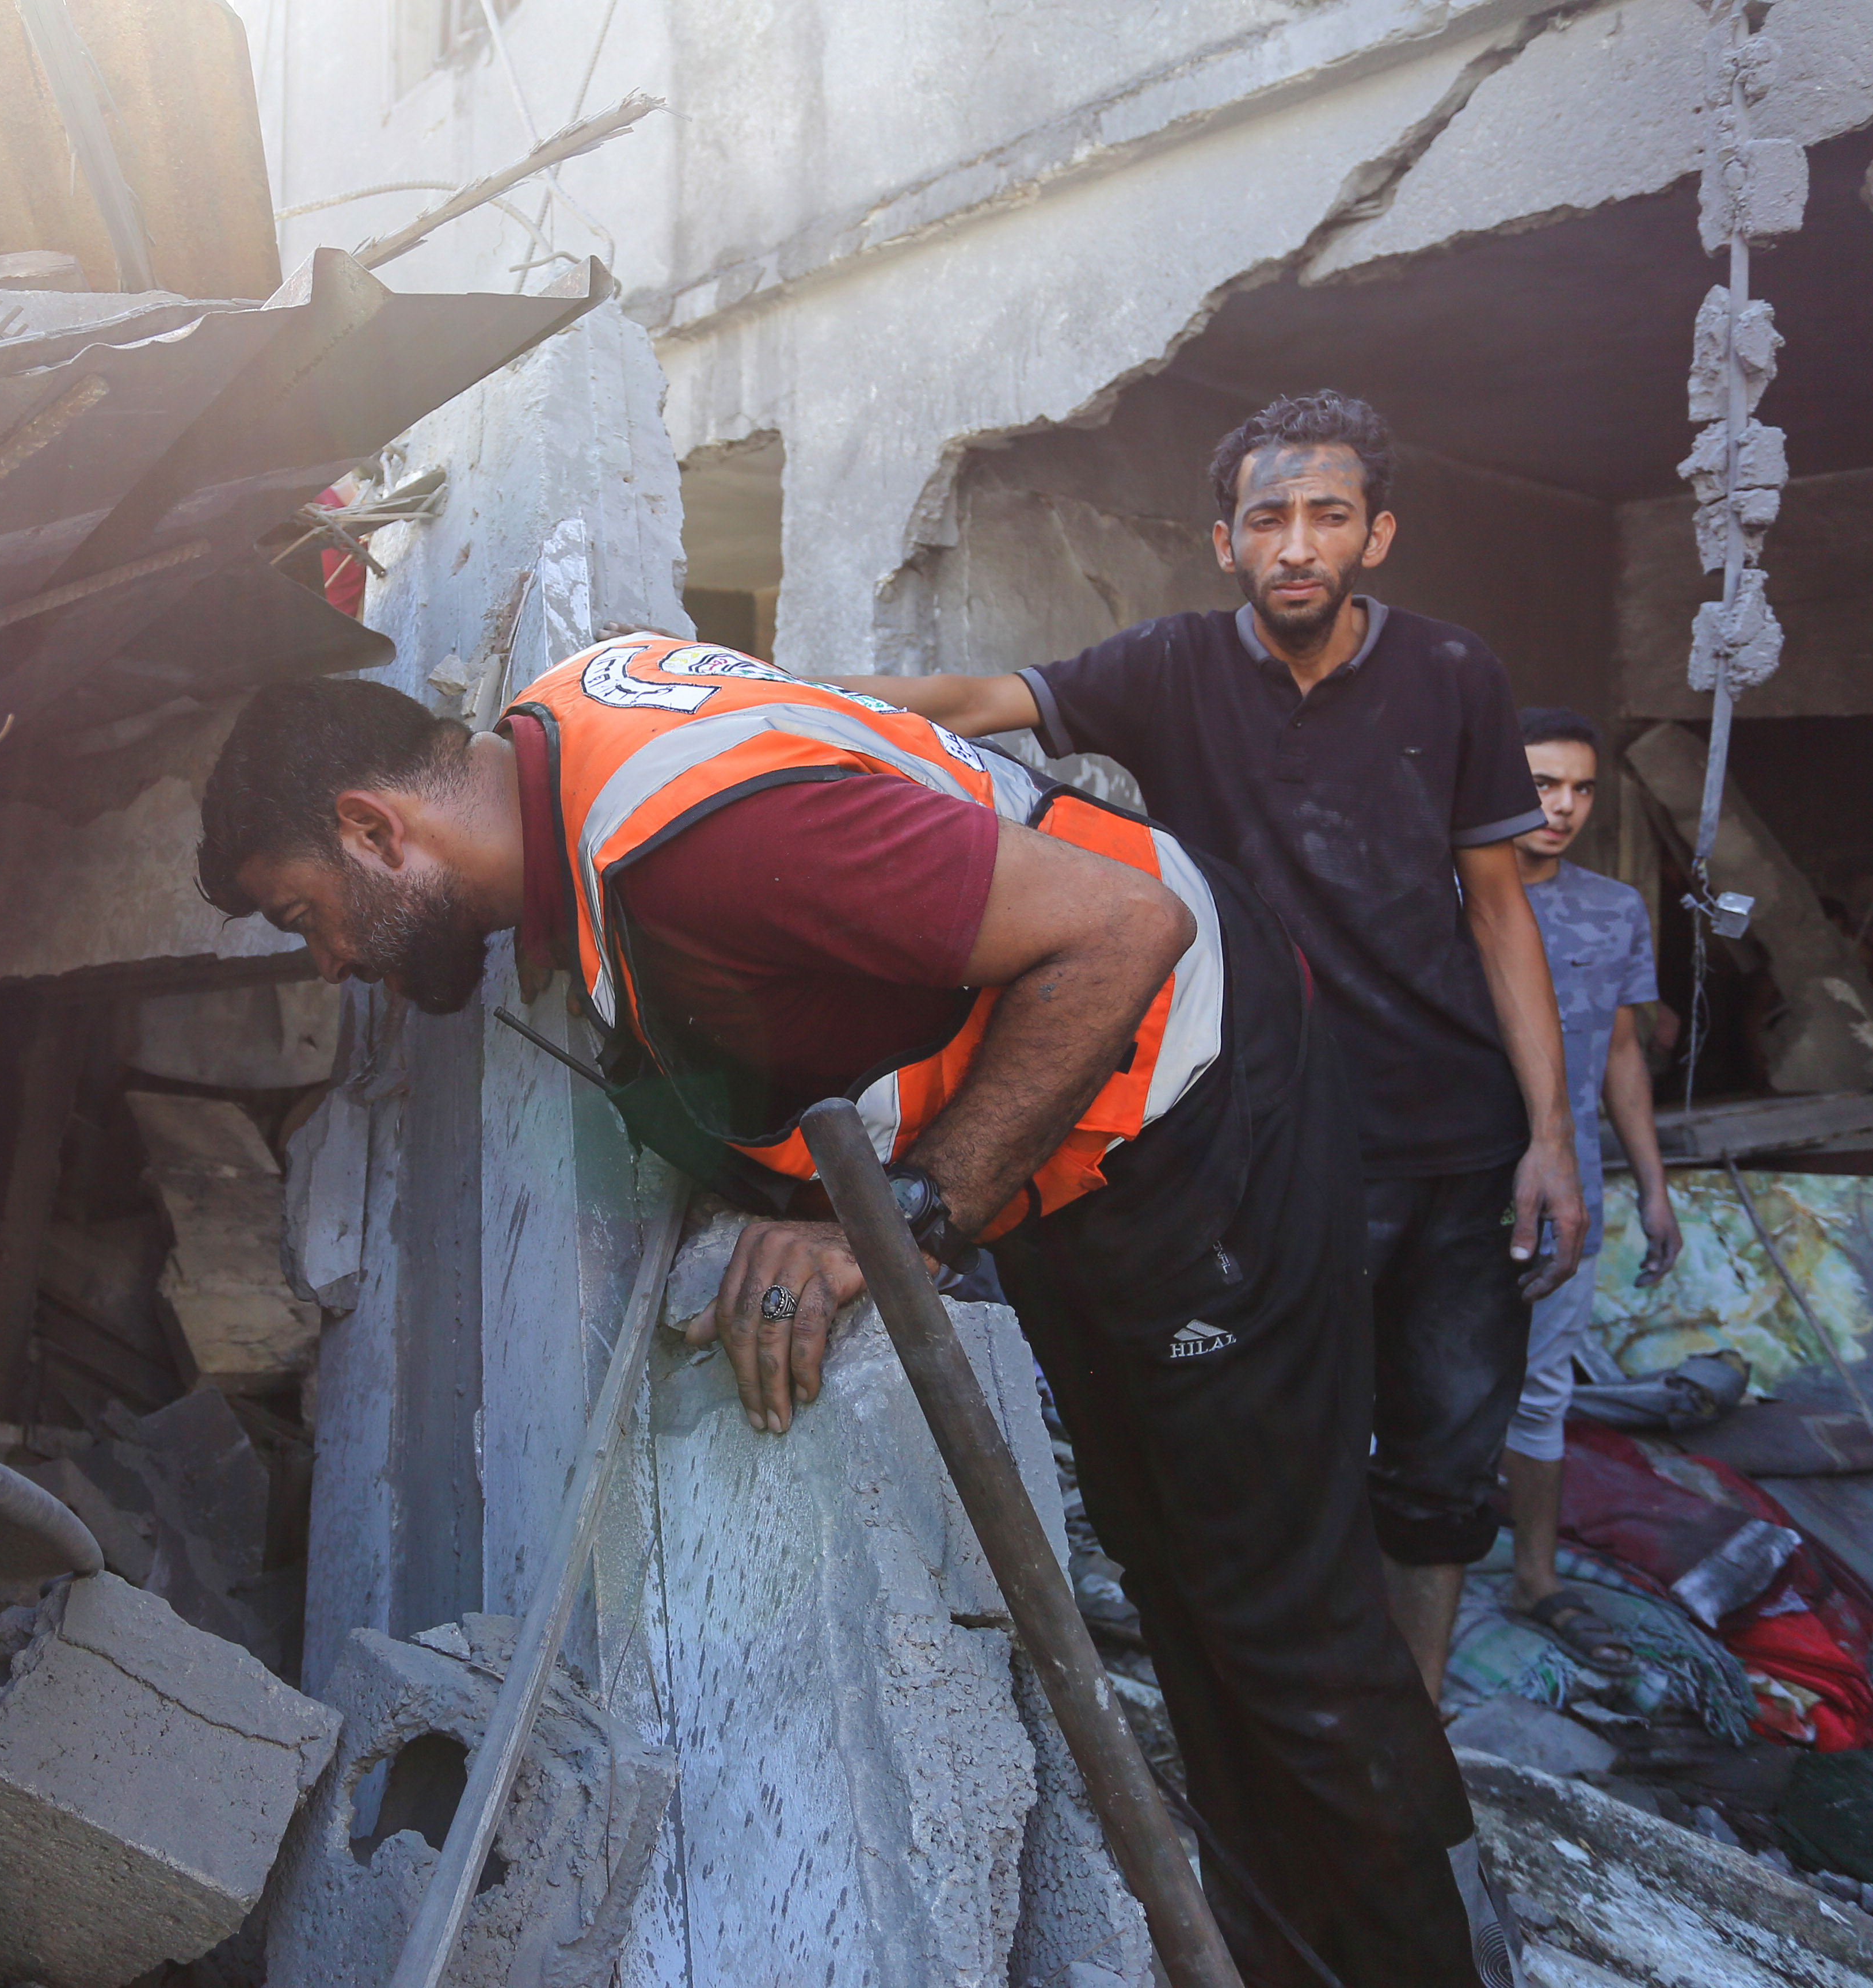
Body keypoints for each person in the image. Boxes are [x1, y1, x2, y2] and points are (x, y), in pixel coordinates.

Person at [194, 648, 1503, 1985]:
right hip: (1059, 1132)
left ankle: (1438, 1962)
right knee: (1178, 1571)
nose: (332, 959)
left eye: (308, 913)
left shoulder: (687, 844)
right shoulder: (566, 727)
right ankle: (1286, 1947)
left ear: (373, 827)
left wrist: (901, 1224)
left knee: (1283, 1624)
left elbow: (1121, 927)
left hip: (1188, 1097)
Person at [843, 390, 1581, 1698]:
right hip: (1271, 1136)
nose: (1296, 542)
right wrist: (754, 693)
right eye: (1268, 518)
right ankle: (1300, 1709)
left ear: (1375, 535)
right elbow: (969, 694)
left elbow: (1497, 910)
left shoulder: (1453, 674)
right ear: (1224, 541)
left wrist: (1549, 1137)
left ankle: (1406, 1727)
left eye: (1326, 515)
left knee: (1440, 1456)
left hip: (1454, 1141)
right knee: (1272, 1437)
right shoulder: (1165, 664)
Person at [1504, 707, 1682, 1671]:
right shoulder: (1446, 896)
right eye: (1542, 784)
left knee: (1539, 1394)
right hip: (1445, 1191)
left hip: (1568, 1194)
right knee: (1394, 1393)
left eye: (1579, 789)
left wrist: (1651, 1186)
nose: (1563, 807)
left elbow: (1620, 1049)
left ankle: (1535, 1579)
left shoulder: (1612, 907)